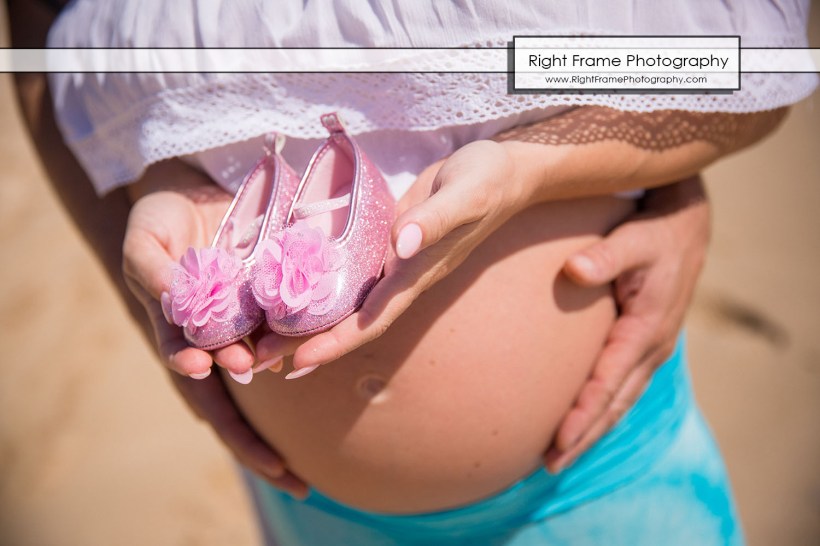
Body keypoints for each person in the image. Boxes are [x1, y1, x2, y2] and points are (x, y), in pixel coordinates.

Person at [9, 0, 817, 544]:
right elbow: (35, 36)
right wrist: (134, 252)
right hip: (308, 499)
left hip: (589, 472)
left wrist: (553, 172)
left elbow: (735, 66)